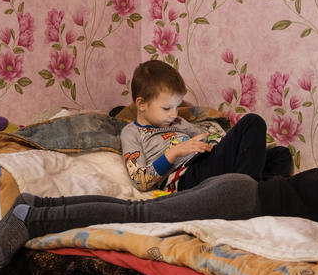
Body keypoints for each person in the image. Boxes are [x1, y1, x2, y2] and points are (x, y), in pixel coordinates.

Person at [0, 107, 318, 267]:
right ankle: (31, 217)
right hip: (240, 198)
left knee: (135, 209)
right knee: (137, 215)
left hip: (243, 192)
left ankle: (38, 204)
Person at [120, 59, 292, 193]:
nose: (174, 114)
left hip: (208, 161)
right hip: (185, 175)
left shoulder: (178, 122)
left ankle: (253, 191)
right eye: (166, 108)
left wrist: (226, 144)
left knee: (281, 155)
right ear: (141, 104)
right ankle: (247, 193)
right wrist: (175, 151)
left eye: (176, 107)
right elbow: (140, 180)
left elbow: (209, 139)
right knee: (253, 122)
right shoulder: (131, 132)